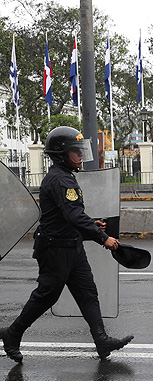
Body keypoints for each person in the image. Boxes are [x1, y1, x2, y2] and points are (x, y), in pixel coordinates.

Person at [0, 127, 133, 363]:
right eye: (76, 151)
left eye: (82, 151)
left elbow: (68, 216)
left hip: (72, 247)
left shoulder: (66, 176)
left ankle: (101, 341)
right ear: (61, 155)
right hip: (55, 250)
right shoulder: (61, 180)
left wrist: (91, 224)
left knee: (88, 294)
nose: (81, 155)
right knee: (46, 296)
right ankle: (12, 334)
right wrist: (103, 238)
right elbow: (73, 216)